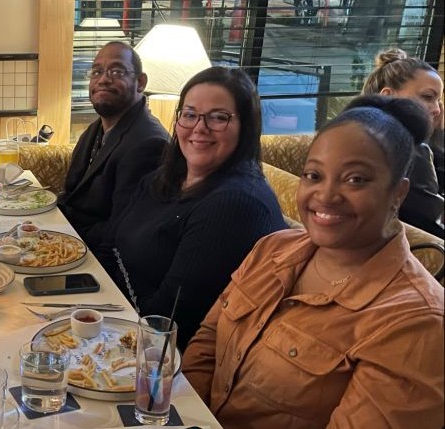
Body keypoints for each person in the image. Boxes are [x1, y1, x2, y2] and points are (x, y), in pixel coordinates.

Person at [182, 95, 444, 429]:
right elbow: (207, 343)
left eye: (355, 179)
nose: (326, 195)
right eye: (313, 175)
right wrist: (184, 415)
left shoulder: (418, 324)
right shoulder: (273, 249)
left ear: (398, 193)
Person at [97, 66, 287, 349]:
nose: (199, 128)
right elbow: (108, 243)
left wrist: (104, 312)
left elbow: (169, 316)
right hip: (118, 318)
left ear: (245, 127)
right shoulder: (163, 178)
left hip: (164, 359)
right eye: (189, 114)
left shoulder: (236, 205)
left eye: (218, 117)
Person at [58, 41, 169, 247]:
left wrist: (61, 239)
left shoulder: (149, 144)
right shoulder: (97, 129)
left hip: (100, 261)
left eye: (117, 71)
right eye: (96, 71)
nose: (103, 80)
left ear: (140, 82)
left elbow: (122, 229)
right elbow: (72, 195)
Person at [362, 48, 443, 237]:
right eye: (428, 97)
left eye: (438, 100)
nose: (437, 110)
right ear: (388, 96)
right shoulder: (411, 148)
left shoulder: (355, 133)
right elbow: (432, 222)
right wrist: (438, 137)